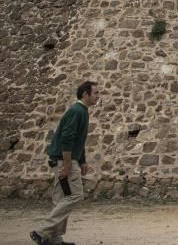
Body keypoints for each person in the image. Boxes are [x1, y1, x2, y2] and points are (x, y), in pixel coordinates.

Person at [31, 81, 101, 245]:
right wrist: (68, 165)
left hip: (66, 160)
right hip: (64, 160)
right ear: (85, 94)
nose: (98, 96)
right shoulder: (77, 111)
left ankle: (54, 239)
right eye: (96, 93)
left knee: (61, 199)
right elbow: (66, 139)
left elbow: (78, 139)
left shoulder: (82, 111)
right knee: (75, 196)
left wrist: (82, 160)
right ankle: (41, 232)